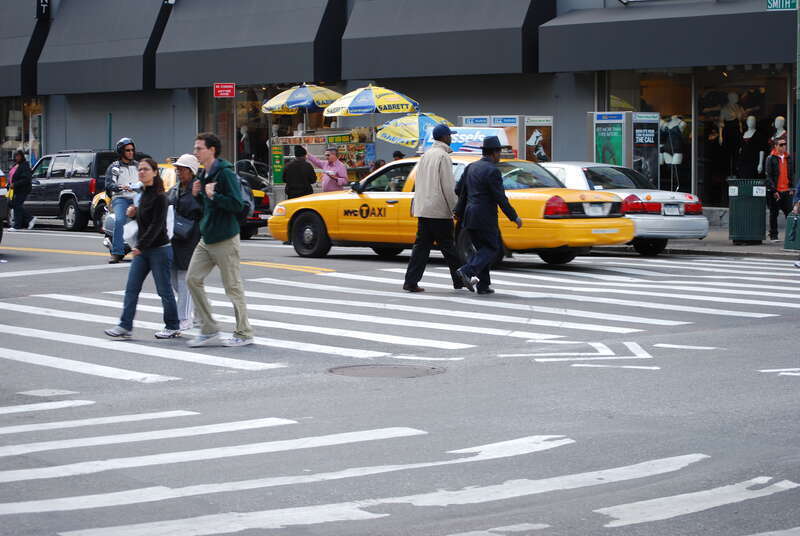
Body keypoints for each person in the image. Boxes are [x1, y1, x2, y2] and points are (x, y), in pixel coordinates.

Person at [186, 132, 253, 347]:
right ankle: (209, 328)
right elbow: (205, 209)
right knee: (192, 279)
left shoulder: (225, 174)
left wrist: (215, 195)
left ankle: (244, 333)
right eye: (195, 148)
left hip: (225, 238)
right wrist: (198, 194)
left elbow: (236, 204)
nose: (195, 152)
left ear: (211, 150)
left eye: (199, 148)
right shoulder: (204, 175)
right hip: (208, 238)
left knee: (232, 287)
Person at [104, 158, 180, 339]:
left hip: (159, 249)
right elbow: (144, 221)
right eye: (140, 170)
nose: (142, 172)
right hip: (143, 249)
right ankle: (125, 325)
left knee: (164, 290)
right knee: (132, 288)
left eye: (146, 169)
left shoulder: (161, 197)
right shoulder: (141, 194)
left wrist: (140, 246)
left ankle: (172, 325)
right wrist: (133, 214)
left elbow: (156, 225)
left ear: (154, 172)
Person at [455, 136, 522, 295]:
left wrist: (459, 211)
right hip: (485, 216)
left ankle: (483, 285)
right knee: (492, 248)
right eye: (499, 152)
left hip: (469, 215)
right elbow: (500, 197)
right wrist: (514, 217)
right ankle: (467, 271)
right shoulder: (492, 171)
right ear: (494, 153)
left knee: (482, 250)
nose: (500, 156)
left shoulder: (471, 167)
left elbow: (459, 190)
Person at [402, 124, 464, 293]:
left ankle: (411, 281)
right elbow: (448, 186)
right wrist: (455, 209)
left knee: (421, 248)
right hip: (438, 210)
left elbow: (419, 183)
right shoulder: (443, 157)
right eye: (450, 136)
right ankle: (461, 279)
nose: (451, 138)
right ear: (444, 137)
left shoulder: (426, 155)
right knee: (449, 247)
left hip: (424, 209)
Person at [167, 154, 203, 331]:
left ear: (191, 171)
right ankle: (200, 310)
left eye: (182, 169)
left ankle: (184, 319)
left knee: (184, 279)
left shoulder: (198, 189)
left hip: (190, 240)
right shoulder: (174, 189)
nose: (178, 172)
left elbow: (202, 212)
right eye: (178, 169)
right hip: (173, 238)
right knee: (174, 279)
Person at [105, 137, 140, 263]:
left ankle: (144, 250)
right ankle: (116, 253)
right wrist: (120, 187)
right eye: (127, 150)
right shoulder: (114, 167)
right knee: (120, 220)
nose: (131, 152)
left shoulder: (138, 166)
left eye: (132, 150)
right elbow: (109, 184)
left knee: (150, 218)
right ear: (121, 152)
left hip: (137, 198)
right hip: (121, 198)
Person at [765, 139, 795, 242]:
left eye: (785, 144)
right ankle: (773, 236)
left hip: (786, 190)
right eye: (781, 145)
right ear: (776, 146)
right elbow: (768, 176)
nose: (784, 146)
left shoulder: (788, 158)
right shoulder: (771, 158)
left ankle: (792, 236)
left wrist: (791, 187)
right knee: (774, 213)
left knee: (790, 213)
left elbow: (790, 173)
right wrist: (774, 191)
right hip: (776, 191)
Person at [8, 150, 36, 231]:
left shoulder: (24, 165)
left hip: (23, 189)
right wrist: (9, 184)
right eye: (16, 156)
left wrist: (15, 184)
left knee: (17, 205)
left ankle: (18, 225)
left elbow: (26, 179)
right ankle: (27, 220)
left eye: (18, 156)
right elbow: (12, 175)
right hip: (14, 189)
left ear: (21, 156)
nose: (16, 157)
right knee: (14, 204)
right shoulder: (16, 165)